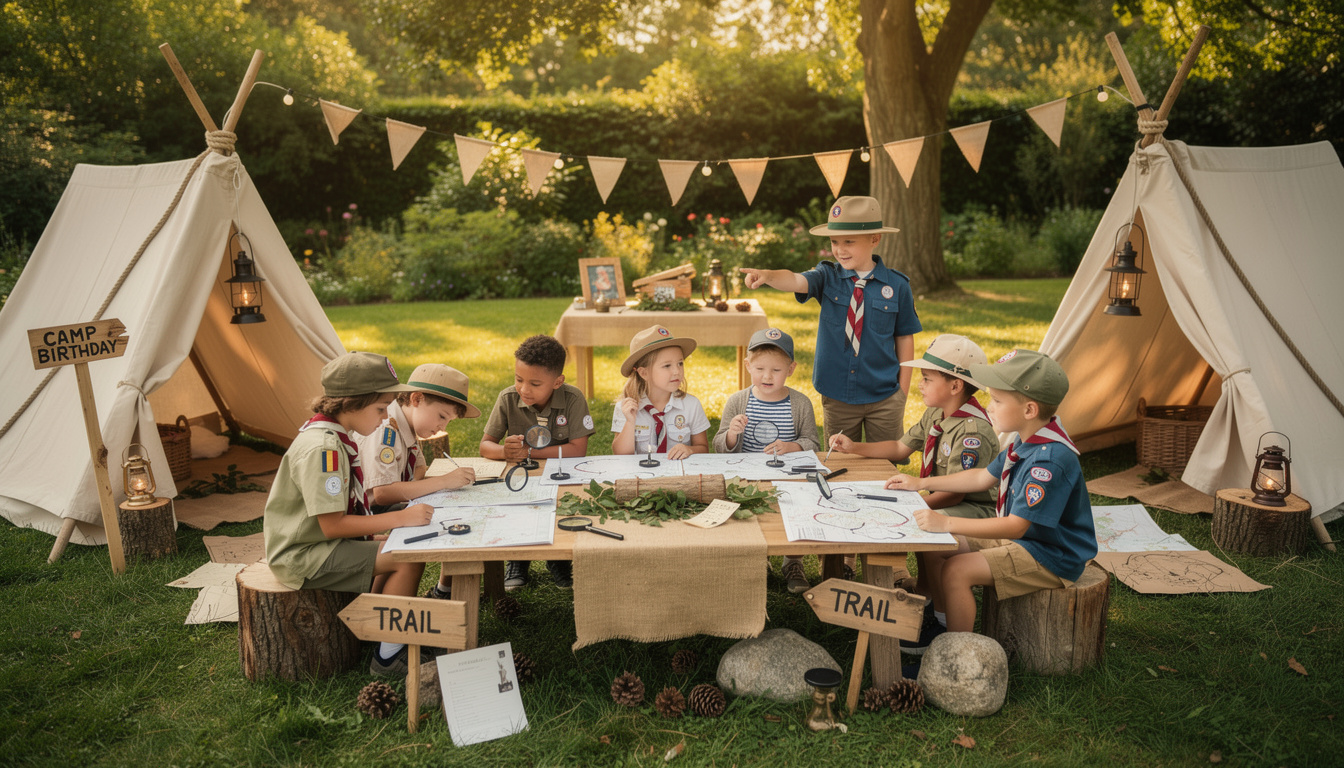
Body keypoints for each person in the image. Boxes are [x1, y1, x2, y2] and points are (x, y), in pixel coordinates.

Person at [741, 195, 921, 580]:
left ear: (874, 240)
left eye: (849, 242)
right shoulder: (828, 276)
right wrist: (769, 275)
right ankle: (841, 556)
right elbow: (797, 279)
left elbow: (905, 337)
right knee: (839, 469)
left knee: (885, 472)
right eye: (835, 242)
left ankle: (892, 558)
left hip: (884, 394)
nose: (840, 249)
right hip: (838, 395)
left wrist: (902, 388)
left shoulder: (896, 287)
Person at [885, 349, 1096, 662]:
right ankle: (940, 624)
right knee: (934, 545)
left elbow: (1015, 525)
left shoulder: (1049, 460)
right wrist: (920, 483)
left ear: (1029, 409)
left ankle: (956, 655)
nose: (988, 407)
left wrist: (947, 523)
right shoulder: (1025, 439)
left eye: (997, 401)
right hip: (1027, 539)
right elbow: (982, 477)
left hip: (1051, 554)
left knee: (957, 570)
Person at [262, 351, 434, 677]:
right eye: (380, 408)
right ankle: (388, 658)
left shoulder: (334, 436)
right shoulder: (324, 449)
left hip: (314, 543)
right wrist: (400, 518)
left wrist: (391, 529)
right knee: (405, 556)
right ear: (351, 403)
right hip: (302, 554)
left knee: (398, 543)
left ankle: (379, 631)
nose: (386, 418)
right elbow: (332, 526)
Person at [828, 334, 999, 650]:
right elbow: (899, 447)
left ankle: (939, 623)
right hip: (943, 499)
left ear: (955, 386)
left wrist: (913, 503)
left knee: (925, 530)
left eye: (926, 378)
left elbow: (957, 494)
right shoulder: (937, 413)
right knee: (919, 523)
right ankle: (927, 594)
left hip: (975, 509)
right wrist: (854, 447)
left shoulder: (972, 431)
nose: (919, 384)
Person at [355, 364, 480, 600]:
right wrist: (443, 481)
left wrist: (416, 487)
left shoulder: (408, 425)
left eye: (449, 421)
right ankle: (384, 614)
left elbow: (419, 468)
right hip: (366, 514)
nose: (442, 427)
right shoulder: (387, 429)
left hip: (381, 508)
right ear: (416, 398)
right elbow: (382, 493)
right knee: (424, 531)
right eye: (442, 417)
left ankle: (385, 602)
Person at [480, 335, 593, 590]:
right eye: (519, 379)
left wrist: (528, 451)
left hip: (561, 474)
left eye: (535, 383)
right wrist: (504, 452)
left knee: (562, 506)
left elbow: (578, 450)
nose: (524, 389)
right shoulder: (508, 398)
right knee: (517, 507)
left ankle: (558, 560)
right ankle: (518, 559)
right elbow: (485, 445)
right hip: (520, 476)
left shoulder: (573, 399)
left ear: (557, 382)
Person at [713, 327, 820, 594]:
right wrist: (731, 435)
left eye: (776, 370)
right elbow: (718, 446)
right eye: (760, 369)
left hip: (788, 477)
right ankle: (756, 558)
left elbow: (813, 444)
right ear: (747, 365)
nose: (767, 376)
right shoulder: (738, 401)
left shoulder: (800, 403)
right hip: (747, 476)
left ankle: (793, 561)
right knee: (748, 515)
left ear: (791, 369)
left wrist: (791, 445)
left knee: (796, 513)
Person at [612, 325, 710, 460]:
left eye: (680, 363)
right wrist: (630, 422)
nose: (677, 371)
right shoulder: (626, 408)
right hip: (640, 476)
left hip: (680, 476)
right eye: (667, 366)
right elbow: (620, 454)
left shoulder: (691, 405)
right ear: (644, 373)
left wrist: (689, 449)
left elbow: (703, 448)